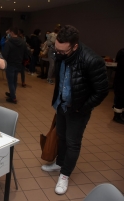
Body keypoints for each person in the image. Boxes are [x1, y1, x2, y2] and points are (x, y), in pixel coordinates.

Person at [41, 25, 109, 195]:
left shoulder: (92, 60)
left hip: (78, 109)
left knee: (72, 142)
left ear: (75, 46)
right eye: (57, 49)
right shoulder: (60, 52)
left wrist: (83, 108)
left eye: (63, 51)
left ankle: (65, 175)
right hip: (62, 105)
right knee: (61, 136)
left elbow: (102, 91)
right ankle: (60, 163)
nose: (58, 53)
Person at [2, 27, 29, 104]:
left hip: (10, 64)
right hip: (19, 64)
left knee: (10, 81)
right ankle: (12, 94)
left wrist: (3, 63)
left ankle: (13, 97)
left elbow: (5, 54)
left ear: (12, 33)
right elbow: (26, 53)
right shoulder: (23, 42)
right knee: (14, 80)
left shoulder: (9, 42)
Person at [112, 48, 124, 124]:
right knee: (120, 100)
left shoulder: (121, 51)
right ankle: (117, 116)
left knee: (120, 99)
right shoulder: (123, 53)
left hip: (120, 81)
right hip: (121, 81)